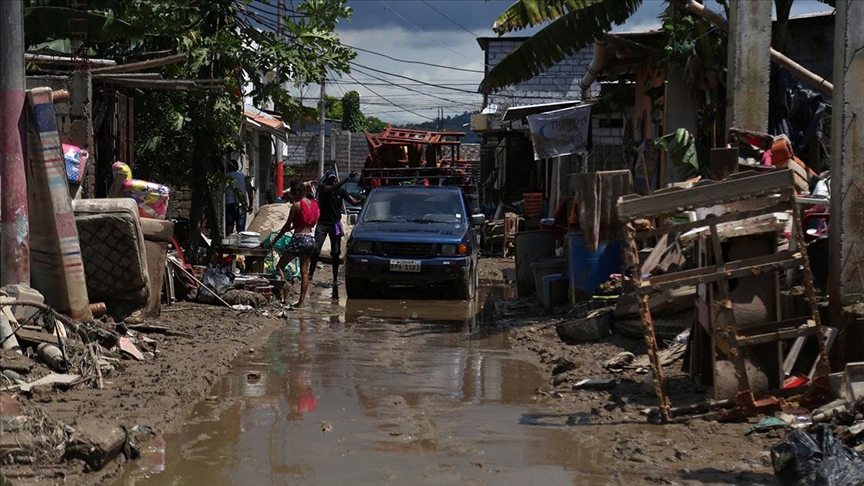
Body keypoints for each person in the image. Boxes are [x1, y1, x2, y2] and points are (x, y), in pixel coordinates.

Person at [310, 168, 362, 299]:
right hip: (323, 223)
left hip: (335, 224)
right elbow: (330, 188)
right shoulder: (323, 188)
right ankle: (310, 274)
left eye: (334, 178)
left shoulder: (341, 191)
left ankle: (334, 278)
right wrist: (349, 177)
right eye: (331, 178)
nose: (333, 180)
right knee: (316, 249)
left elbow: (353, 202)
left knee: (335, 252)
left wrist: (363, 199)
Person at [270, 181, 320, 308]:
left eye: (292, 194)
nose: (291, 197)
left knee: (280, 266)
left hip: (299, 239)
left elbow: (287, 225)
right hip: (310, 239)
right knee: (305, 273)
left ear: (298, 193)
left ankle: (282, 297)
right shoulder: (314, 205)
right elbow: (307, 223)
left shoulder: (296, 205)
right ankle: (301, 302)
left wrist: (275, 240)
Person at [225, 160, 249, 234]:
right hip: (241, 204)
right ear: (237, 167)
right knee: (241, 227)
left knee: (229, 224)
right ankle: (240, 242)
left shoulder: (225, 177)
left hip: (229, 203)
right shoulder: (243, 177)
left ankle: (228, 240)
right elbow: (250, 191)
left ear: (228, 168)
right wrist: (251, 204)